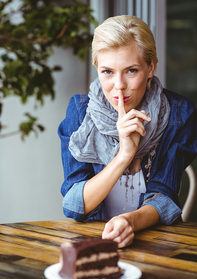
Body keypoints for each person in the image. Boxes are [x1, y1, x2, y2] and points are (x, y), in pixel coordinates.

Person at [58, 15, 197, 248]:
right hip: (94, 245)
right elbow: (73, 205)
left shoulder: (178, 113)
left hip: (155, 244)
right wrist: (124, 154)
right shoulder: (80, 112)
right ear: (96, 69)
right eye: (107, 72)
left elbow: (164, 198)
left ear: (150, 67)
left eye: (131, 71)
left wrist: (128, 221)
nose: (119, 86)